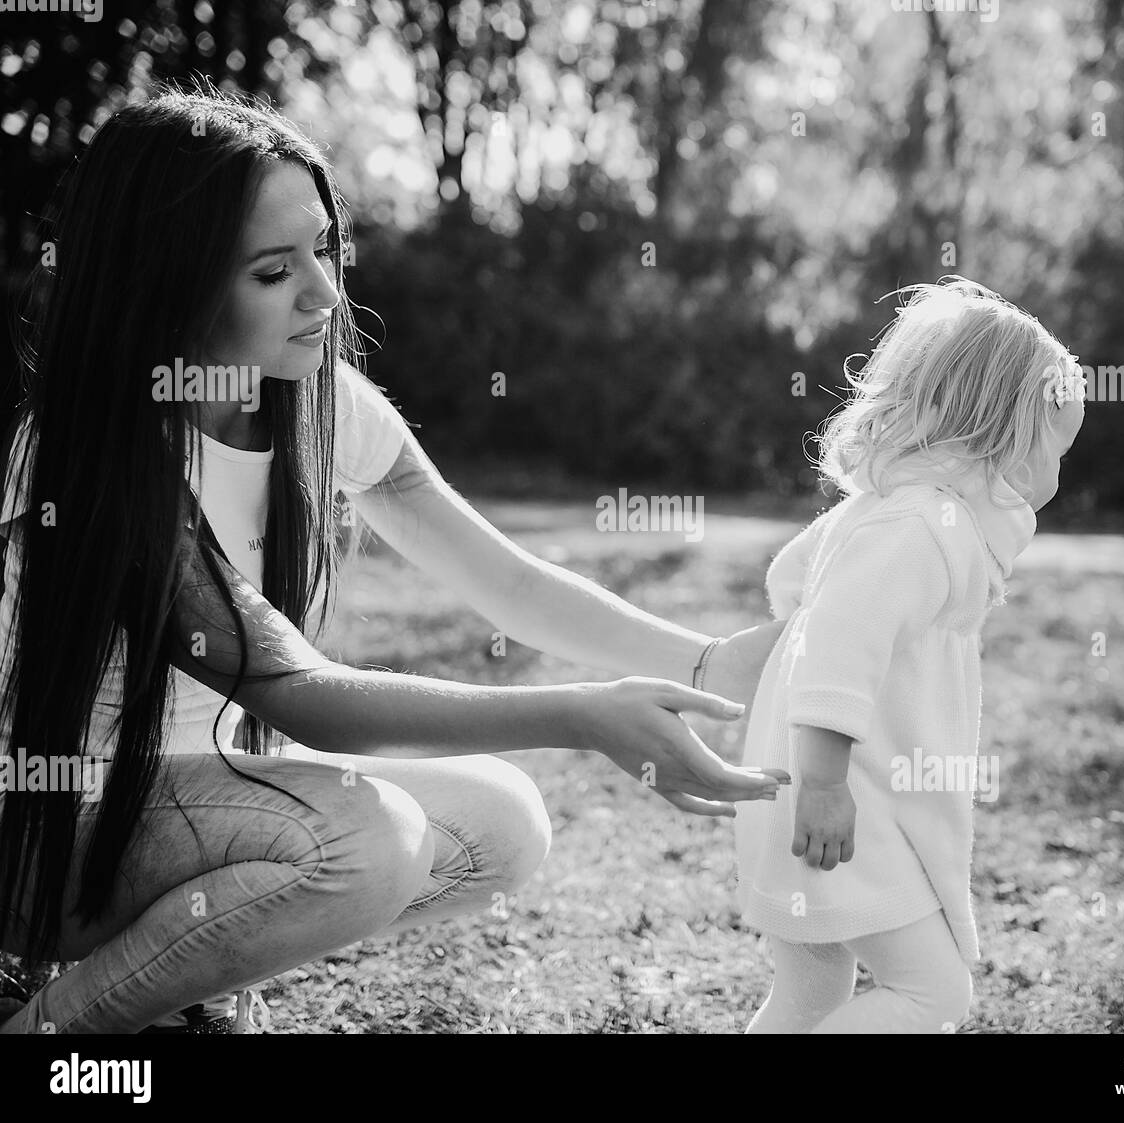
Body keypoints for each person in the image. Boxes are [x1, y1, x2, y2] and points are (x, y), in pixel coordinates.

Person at [0, 86, 789, 1035]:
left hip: (205, 807)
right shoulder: (85, 453)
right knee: (368, 840)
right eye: (270, 271)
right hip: (47, 836)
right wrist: (582, 714)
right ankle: (54, 1029)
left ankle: (184, 984)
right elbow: (295, 690)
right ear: (167, 281)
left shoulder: (320, 405)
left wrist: (702, 664)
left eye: (325, 250)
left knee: (504, 820)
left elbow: (506, 580)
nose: (325, 294)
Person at [734, 277, 1086, 1033]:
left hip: (817, 789)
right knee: (934, 994)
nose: (1061, 473)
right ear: (1005, 436)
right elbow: (836, 636)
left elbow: (791, 583)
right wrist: (824, 781)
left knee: (811, 992)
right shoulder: (925, 527)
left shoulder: (889, 512)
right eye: (1058, 446)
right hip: (841, 801)